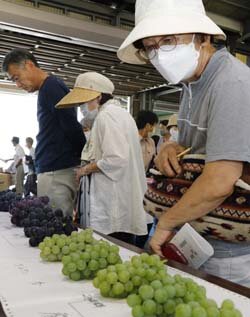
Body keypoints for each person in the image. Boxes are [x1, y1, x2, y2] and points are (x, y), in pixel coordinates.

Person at [117, 0, 250, 286]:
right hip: (194, 233)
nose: (159, 55)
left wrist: (166, 223)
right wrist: (171, 147)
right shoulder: (191, 84)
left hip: (226, 248)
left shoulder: (232, 84)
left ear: (202, 37)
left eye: (168, 40)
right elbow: (197, 147)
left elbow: (219, 181)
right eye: (150, 47)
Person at [56, 71, 148, 244]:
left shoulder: (106, 116)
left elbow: (116, 158)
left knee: (111, 246)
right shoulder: (120, 113)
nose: (82, 108)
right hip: (121, 196)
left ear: (97, 97)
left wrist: (85, 169)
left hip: (113, 200)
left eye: (84, 102)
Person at [2, 49, 86, 215]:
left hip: (57, 170)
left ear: (29, 65)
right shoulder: (47, 89)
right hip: (54, 168)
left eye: (17, 78)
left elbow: (70, 125)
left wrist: (83, 156)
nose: (18, 85)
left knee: (56, 227)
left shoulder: (51, 86)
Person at [135, 110, 158, 248]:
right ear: (148, 125)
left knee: (148, 217)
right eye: (153, 124)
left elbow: (153, 162)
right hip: (131, 184)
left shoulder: (151, 142)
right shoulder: (131, 139)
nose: (154, 127)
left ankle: (140, 245)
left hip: (144, 183)